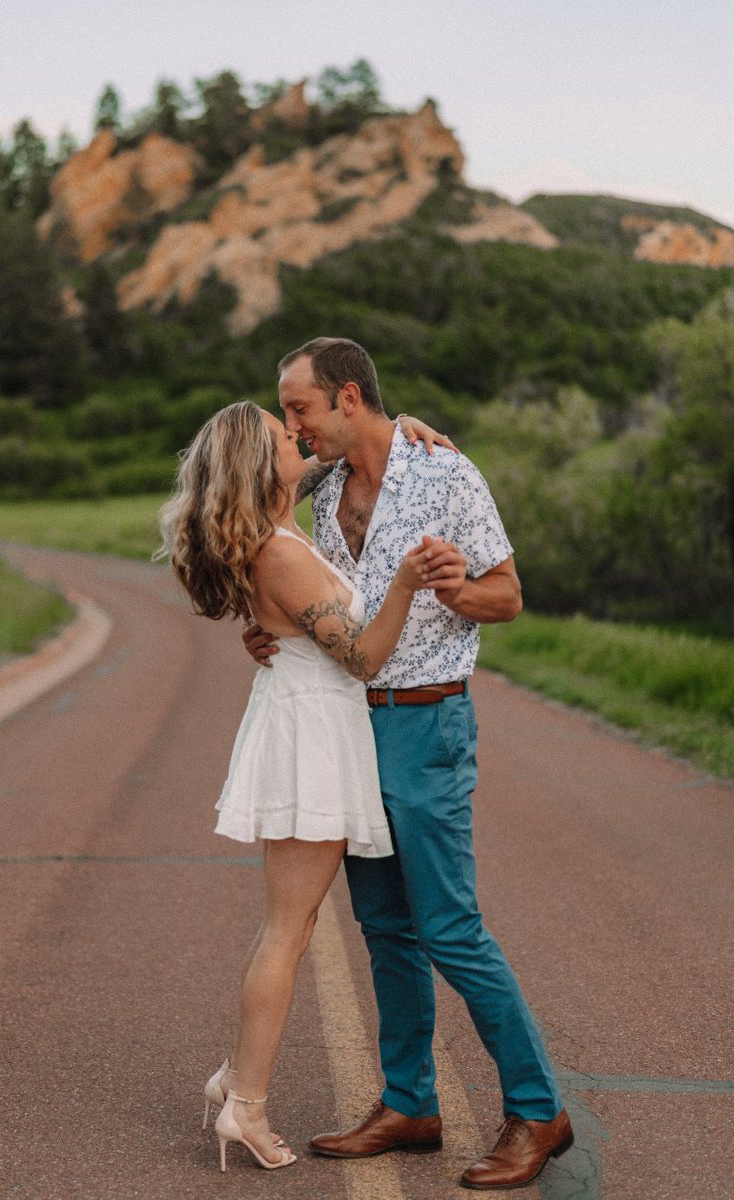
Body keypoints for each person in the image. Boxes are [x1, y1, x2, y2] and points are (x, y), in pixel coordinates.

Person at [243, 337, 573, 1191]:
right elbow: (308, 589)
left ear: (348, 398)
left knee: (451, 930)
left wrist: (458, 587)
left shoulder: (447, 476)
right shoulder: (315, 488)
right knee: (385, 930)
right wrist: (269, 626)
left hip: (429, 726)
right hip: (349, 728)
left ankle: (538, 1110)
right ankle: (409, 1104)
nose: (293, 424)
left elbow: (508, 594)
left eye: (300, 409)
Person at [158, 400, 454, 1174]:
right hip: (311, 733)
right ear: (263, 467)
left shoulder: (281, 520)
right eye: (282, 433)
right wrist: (406, 583)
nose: (298, 435)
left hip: (314, 723)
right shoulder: (280, 552)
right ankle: (247, 1105)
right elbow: (362, 659)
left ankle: (236, 1076)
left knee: (287, 925)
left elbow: (342, 452)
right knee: (290, 931)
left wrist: (405, 425)